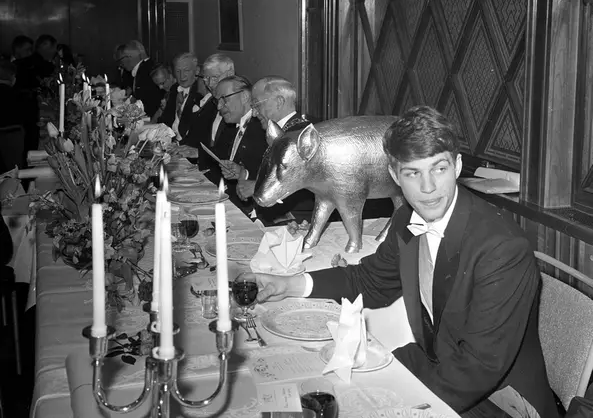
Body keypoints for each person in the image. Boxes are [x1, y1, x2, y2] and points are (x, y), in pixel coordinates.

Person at [251, 106, 558, 418]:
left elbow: (479, 368)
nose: (428, 187)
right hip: (438, 364)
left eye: (439, 169)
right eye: (413, 173)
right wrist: (289, 285)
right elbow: (369, 281)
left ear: (457, 166)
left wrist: (399, 410)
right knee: (310, 387)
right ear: (394, 175)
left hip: (500, 401)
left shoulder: (502, 249)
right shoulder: (407, 220)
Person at [237, 76, 312, 223]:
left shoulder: (300, 135)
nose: (254, 113)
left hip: (293, 221)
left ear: (279, 102)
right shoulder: (281, 130)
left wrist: (258, 187)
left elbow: (305, 184)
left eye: (257, 105)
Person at [212, 76, 267, 213]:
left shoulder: (261, 128)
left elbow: (269, 174)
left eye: (224, 99)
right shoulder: (233, 126)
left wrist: (244, 174)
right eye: (217, 101)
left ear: (244, 97)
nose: (219, 107)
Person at [159, 53, 213, 150]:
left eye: (186, 70)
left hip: (186, 146)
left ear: (197, 71)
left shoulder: (201, 93)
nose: (181, 76)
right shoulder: (174, 89)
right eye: (178, 71)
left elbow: (196, 133)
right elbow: (166, 119)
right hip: (169, 140)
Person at [118, 40, 162, 118]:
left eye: (126, 57)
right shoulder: (142, 68)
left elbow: (148, 100)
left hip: (150, 116)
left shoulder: (146, 70)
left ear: (130, 57)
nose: (124, 62)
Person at [201, 53, 235, 149]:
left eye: (215, 78)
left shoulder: (239, 106)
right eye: (206, 78)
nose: (210, 84)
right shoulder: (211, 102)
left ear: (230, 75)